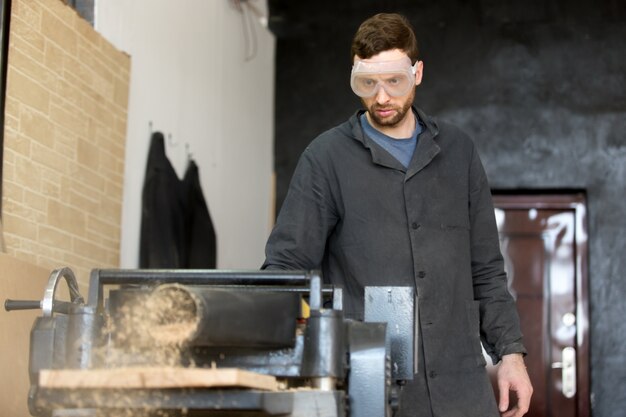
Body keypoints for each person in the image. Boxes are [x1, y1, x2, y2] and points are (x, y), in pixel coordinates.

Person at [262, 12, 532, 417]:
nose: (382, 97)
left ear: (417, 73)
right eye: (368, 83)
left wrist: (511, 353)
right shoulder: (326, 159)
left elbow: (486, 270)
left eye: (394, 81)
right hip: (370, 388)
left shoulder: (459, 152)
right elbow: (285, 269)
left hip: (461, 390)